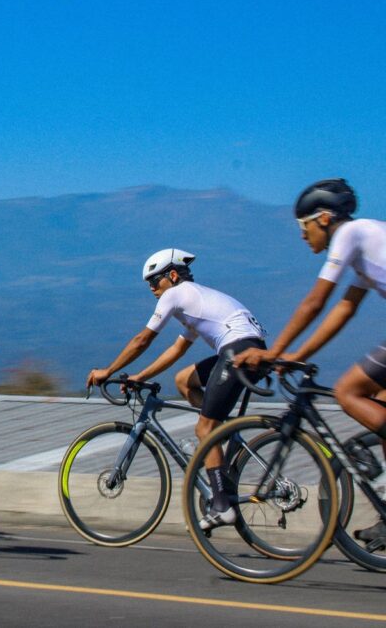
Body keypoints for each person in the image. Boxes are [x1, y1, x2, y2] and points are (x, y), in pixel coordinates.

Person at [236, 179, 386, 543]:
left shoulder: (349, 234)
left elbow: (315, 303)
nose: (303, 236)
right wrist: (297, 355)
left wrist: (273, 353)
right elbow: (345, 309)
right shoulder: (368, 239)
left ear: (322, 218)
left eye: (302, 227)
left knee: (349, 391)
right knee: (380, 402)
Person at [86, 248, 267, 530]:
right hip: (249, 350)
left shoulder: (177, 295)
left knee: (204, 429)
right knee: (183, 380)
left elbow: (142, 340)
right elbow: (177, 349)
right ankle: (214, 439)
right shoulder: (195, 300)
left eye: (155, 281)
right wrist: (139, 376)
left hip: (238, 353)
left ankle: (221, 505)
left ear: (172, 276)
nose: (151, 288)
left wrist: (107, 371)